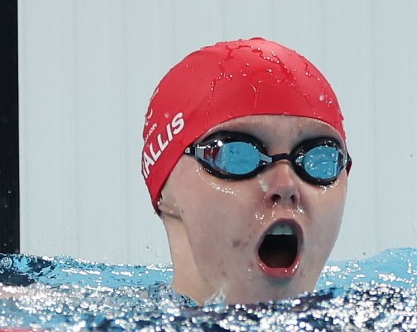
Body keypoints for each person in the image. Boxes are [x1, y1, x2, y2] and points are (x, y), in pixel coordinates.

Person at [141, 38, 351, 305]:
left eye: (317, 156)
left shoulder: (380, 330)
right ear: (165, 191)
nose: (286, 185)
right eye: (238, 154)